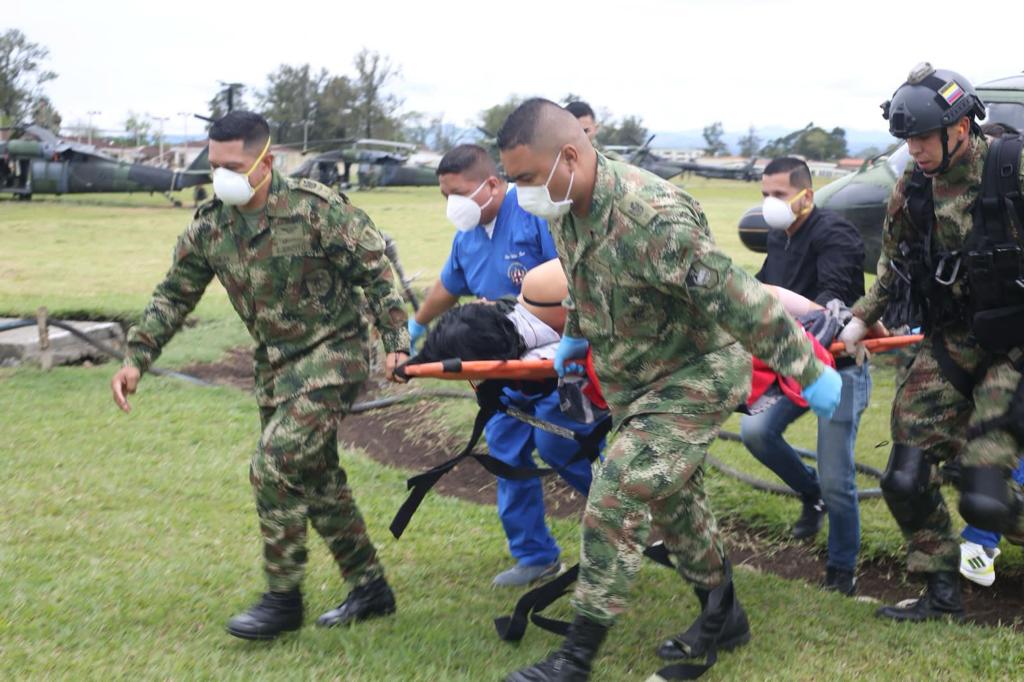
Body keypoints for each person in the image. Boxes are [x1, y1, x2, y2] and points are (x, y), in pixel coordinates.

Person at [497, 98, 841, 681]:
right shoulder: (565, 207)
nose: (521, 192)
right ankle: (723, 616)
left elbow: (738, 295)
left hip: (697, 372)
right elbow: (584, 280)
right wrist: (576, 343)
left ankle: (575, 659)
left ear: (571, 156)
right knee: (676, 505)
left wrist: (809, 367)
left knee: (618, 488)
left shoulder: (651, 217)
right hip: (637, 379)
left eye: (526, 178)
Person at [109, 111, 410, 641]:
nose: (221, 173)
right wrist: (137, 357)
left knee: (274, 465)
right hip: (276, 365)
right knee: (316, 479)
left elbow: (375, 269)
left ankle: (282, 598)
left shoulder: (314, 210)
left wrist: (396, 344)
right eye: (214, 164)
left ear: (266, 161)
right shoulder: (211, 225)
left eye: (234, 164)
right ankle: (370, 589)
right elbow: (174, 293)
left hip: (334, 354)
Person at [841, 63, 1024, 622]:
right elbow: (894, 266)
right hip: (954, 338)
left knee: (985, 497)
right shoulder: (913, 187)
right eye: (907, 139)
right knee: (904, 477)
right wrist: (860, 318)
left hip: (1016, 345)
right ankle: (941, 595)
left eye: (923, 137)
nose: (914, 149)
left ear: (961, 127)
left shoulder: (1012, 169)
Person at [408, 144, 591, 587]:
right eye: (444, 194)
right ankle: (534, 555)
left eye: (459, 192)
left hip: (560, 362)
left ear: (493, 184)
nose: (452, 203)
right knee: (506, 452)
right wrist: (417, 326)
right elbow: (449, 285)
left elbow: (575, 280)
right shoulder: (467, 237)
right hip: (501, 370)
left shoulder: (535, 218)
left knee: (566, 446)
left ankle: (635, 515)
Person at [740, 156, 873, 596]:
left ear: (806, 196)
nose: (769, 204)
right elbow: (763, 290)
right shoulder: (778, 237)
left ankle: (841, 570)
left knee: (839, 476)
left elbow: (831, 306)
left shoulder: (837, 236)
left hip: (841, 367)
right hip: (791, 366)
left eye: (778, 195)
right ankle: (808, 492)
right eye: (764, 195)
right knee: (756, 431)